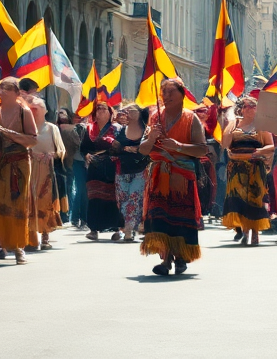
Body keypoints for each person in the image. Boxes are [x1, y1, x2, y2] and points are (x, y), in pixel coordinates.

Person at [139, 78, 208, 275]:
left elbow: (202, 149)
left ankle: (181, 257)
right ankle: (165, 259)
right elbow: (143, 150)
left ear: (182, 94)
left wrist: (178, 146)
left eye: (171, 92)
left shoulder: (191, 118)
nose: (166, 96)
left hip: (181, 177)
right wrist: (152, 137)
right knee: (159, 217)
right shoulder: (154, 118)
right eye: (164, 92)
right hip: (159, 176)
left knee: (179, 218)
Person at [0, 77, 38, 264]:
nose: (2, 91)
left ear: (17, 94)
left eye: (7, 88)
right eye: (0, 88)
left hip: (19, 163)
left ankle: (19, 248)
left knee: (17, 204)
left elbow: (32, 140)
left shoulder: (24, 112)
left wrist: (3, 130)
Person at [220, 96, 274, 245]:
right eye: (246, 106)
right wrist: (228, 126)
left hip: (255, 167)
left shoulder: (261, 126)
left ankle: (255, 232)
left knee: (255, 199)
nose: (249, 108)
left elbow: (271, 146)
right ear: (241, 109)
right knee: (240, 199)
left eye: (252, 106)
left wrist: (257, 152)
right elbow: (225, 144)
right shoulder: (234, 124)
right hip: (236, 167)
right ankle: (244, 230)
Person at [79, 100, 123, 240]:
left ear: (111, 113)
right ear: (94, 113)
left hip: (112, 165)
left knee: (114, 197)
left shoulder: (117, 128)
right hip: (95, 166)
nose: (101, 111)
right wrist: (86, 155)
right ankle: (93, 229)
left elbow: (122, 147)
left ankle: (117, 229)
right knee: (94, 197)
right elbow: (83, 148)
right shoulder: (89, 129)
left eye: (105, 109)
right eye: (98, 109)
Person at [26, 96, 65, 250]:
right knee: (29, 202)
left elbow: (61, 150)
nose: (33, 111)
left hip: (46, 170)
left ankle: (45, 237)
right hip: (29, 168)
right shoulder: (26, 127)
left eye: (36, 108)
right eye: (31, 108)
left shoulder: (51, 128)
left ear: (45, 110)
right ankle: (30, 237)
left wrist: (51, 154)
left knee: (45, 202)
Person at [114, 104, 149, 241]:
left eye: (131, 110)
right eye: (126, 111)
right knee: (122, 200)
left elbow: (149, 148)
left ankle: (129, 229)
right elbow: (113, 148)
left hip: (141, 170)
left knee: (134, 199)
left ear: (140, 113)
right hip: (122, 170)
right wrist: (127, 149)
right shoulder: (121, 130)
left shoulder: (147, 130)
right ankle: (127, 226)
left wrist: (136, 149)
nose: (127, 113)